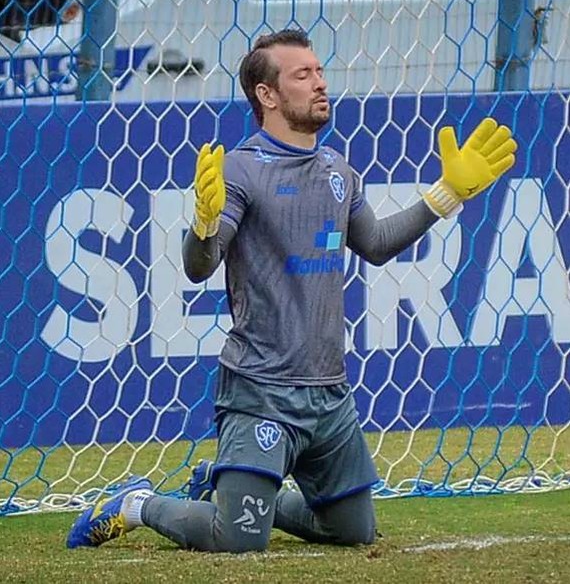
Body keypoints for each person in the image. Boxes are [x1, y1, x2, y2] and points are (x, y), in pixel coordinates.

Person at [67, 29, 517, 553]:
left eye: (320, 72)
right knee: (236, 540)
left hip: (329, 392)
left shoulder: (338, 171)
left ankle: (222, 482)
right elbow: (199, 268)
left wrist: (446, 196)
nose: (320, 83)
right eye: (303, 75)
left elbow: (374, 244)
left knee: (353, 532)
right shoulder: (239, 169)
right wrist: (205, 226)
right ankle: (134, 505)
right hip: (260, 390)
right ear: (267, 94)